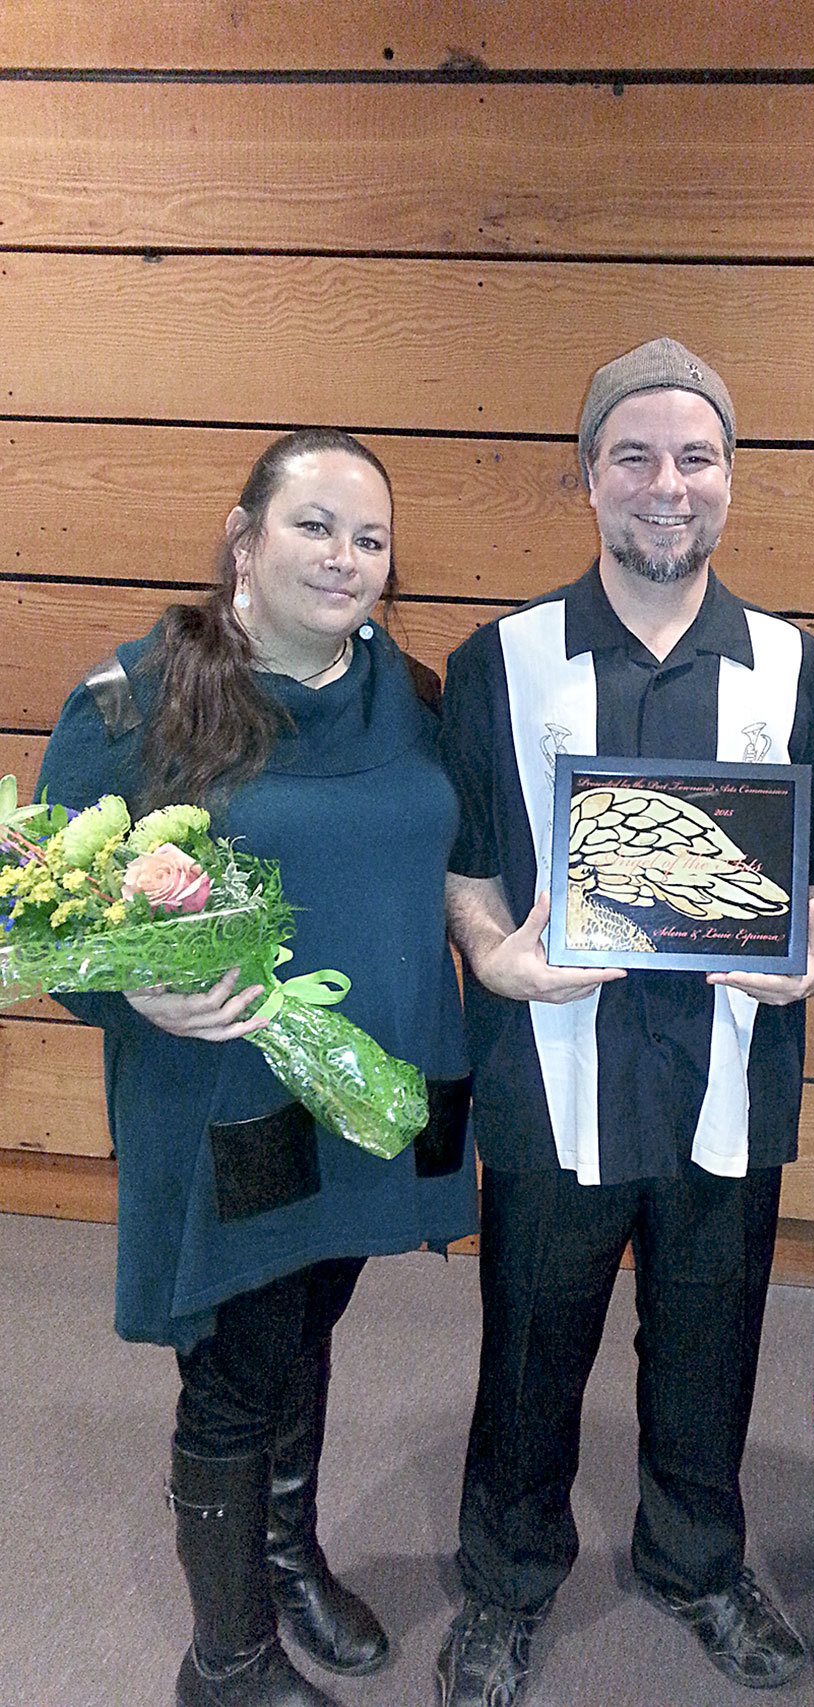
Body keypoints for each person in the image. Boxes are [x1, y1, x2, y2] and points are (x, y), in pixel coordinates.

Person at [435, 338, 814, 1705]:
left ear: (733, 479)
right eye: (635, 456)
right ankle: (504, 1578)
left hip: (731, 1074)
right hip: (557, 1073)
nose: (666, 485)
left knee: (712, 1332)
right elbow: (473, 866)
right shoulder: (497, 661)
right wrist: (493, 958)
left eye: (696, 456)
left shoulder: (805, 672)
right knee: (531, 1334)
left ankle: (695, 1554)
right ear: (587, 477)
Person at [37, 428, 477, 1707]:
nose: (346, 558)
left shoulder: (415, 696)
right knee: (239, 1361)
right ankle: (220, 1662)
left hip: (368, 1086)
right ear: (244, 540)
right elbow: (51, 916)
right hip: (226, 1099)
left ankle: (284, 1555)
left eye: (371, 538)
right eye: (316, 526)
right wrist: (134, 990)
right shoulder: (132, 703)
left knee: (309, 1321)